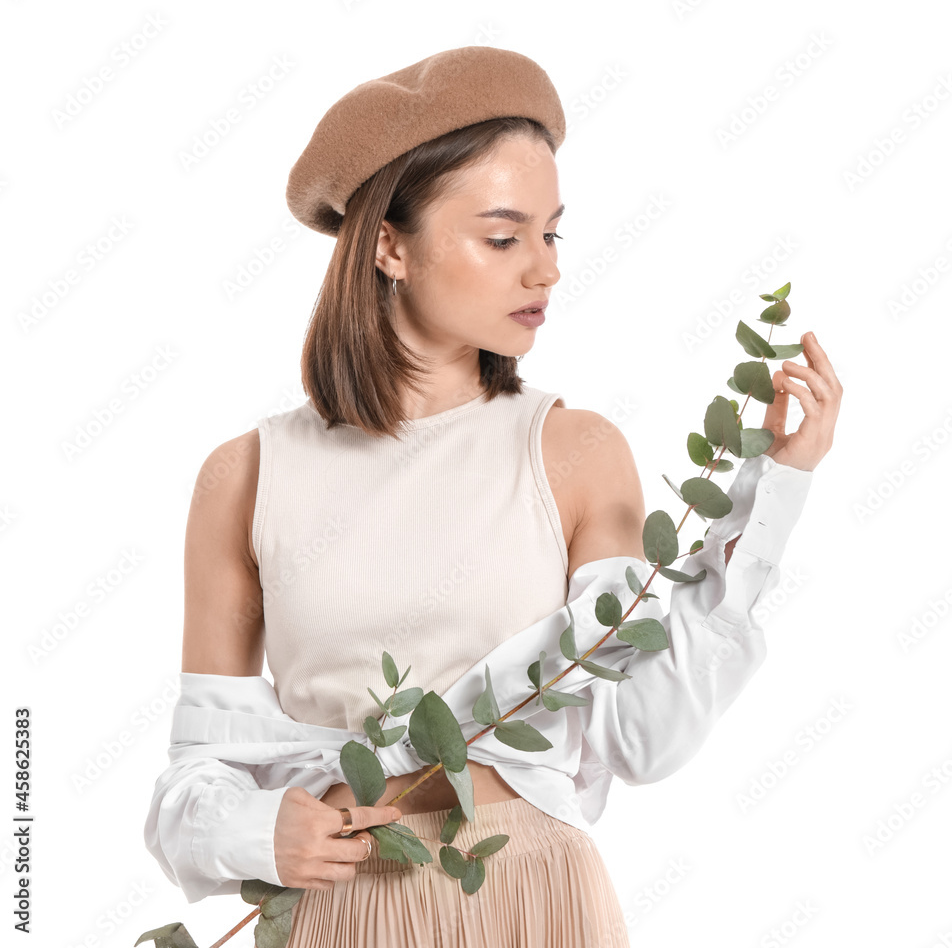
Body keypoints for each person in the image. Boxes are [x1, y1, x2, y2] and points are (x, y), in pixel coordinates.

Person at [144, 46, 842, 947]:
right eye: (504, 237)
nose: (544, 271)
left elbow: (643, 738)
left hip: (531, 901)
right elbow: (194, 779)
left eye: (552, 234)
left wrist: (771, 492)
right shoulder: (245, 478)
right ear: (390, 245)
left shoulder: (575, 453)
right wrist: (256, 832)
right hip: (336, 911)